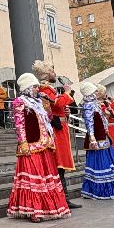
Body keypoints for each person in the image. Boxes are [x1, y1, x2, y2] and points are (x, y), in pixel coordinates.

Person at [7, 73, 71, 222]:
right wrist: (23, 143)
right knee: (34, 179)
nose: (38, 89)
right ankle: (35, 210)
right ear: (28, 87)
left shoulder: (38, 102)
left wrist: (49, 110)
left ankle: (49, 207)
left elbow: (46, 120)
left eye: (37, 86)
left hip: (44, 143)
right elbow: (19, 124)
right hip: (31, 145)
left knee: (46, 178)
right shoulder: (19, 102)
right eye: (35, 86)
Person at [78, 84, 114, 199]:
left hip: (104, 135)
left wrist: (105, 113)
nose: (96, 94)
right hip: (98, 137)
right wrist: (92, 138)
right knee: (101, 163)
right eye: (94, 92)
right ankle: (104, 189)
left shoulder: (96, 104)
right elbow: (89, 123)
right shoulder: (89, 105)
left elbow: (113, 113)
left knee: (110, 161)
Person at [50, 77, 82, 209]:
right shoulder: (45, 89)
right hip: (56, 132)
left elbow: (57, 108)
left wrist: (66, 113)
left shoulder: (49, 89)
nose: (54, 73)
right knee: (59, 165)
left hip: (61, 129)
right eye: (51, 71)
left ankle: (65, 199)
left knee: (61, 166)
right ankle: (63, 199)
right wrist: (67, 93)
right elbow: (56, 104)